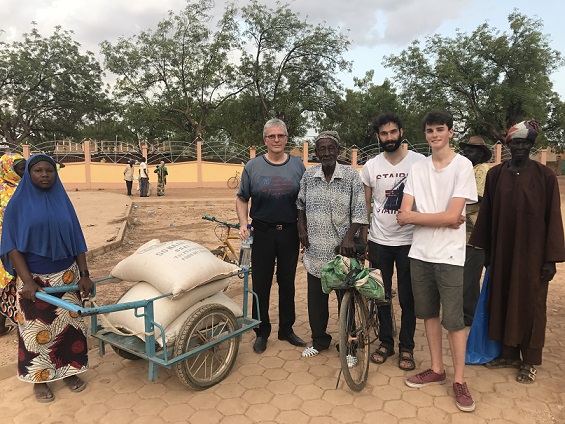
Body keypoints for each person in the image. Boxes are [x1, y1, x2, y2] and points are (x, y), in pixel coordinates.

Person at [469, 120, 565, 383]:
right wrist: (486, 251)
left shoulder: (545, 176)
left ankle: (530, 360)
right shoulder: (495, 175)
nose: (520, 147)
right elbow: (486, 214)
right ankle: (508, 354)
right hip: (502, 252)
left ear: (531, 146)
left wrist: (551, 259)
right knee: (502, 300)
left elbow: (553, 218)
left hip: (533, 256)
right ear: (508, 145)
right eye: (516, 143)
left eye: (525, 143)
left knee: (531, 305)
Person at [397, 110, 477, 412]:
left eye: (440, 129)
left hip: (450, 256)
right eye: (430, 131)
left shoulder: (462, 166)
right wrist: (440, 219)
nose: (434, 135)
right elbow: (404, 216)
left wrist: (419, 217)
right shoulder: (419, 168)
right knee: (428, 314)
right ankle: (436, 368)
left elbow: (452, 215)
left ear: (451, 132)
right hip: (420, 253)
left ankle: (459, 380)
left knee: (454, 320)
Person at [0, 153, 94, 403]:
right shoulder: (17, 205)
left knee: (70, 328)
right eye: (38, 170)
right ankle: (40, 378)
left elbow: (77, 239)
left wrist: (84, 274)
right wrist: (28, 281)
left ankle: (70, 371)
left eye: (49, 171)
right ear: (29, 175)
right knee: (36, 332)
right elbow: (11, 246)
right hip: (35, 280)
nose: (44, 175)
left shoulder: (63, 201)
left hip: (67, 277)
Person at [360, 113, 425, 370]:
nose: (389, 138)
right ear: (378, 137)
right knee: (382, 295)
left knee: (408, 297)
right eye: (383, 134)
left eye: (393, 132)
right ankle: (386, 342)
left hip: (411, 241)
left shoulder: (419, 163)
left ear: (401, 132)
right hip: (379, 242)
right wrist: (364, 239)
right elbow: (364, 205)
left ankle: (406, 347)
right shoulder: (371, 166)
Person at [236, 118, 307, 354]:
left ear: (287, 138)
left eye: (281, 136)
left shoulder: (298, 166)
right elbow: (242, 198)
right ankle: (261, 330)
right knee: (261, 284)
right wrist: (243, 223)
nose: (276, 140)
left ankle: (286, 329)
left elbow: (305, 201)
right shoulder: (252, 166)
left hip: (289, 233)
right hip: (262, 233)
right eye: (271, 136)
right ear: (265, 139)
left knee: (287, 282)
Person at [297, 130, 368, 359]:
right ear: (316, 152)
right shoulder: (309, 176)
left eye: (331, 148)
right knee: (316, 303)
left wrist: (349, 238)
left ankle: (348, 347)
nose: (326, 153)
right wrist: (301, 228)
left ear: (338, 151)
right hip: (315, 252)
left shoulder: (350, 176)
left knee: (344, 303)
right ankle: (319, 341)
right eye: (321, 149)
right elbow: (300, 204)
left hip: (341, 254)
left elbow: (360, 212)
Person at [459, 136, 491, 326]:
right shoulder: (470, 170)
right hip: (465, 233)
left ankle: (470, 316)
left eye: (471, 150)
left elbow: (478, 197)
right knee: (465, 277)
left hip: (475, 233)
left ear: (480, 153)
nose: (466, 153)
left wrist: (456, 200)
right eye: (466, 149)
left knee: (469, 279)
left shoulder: (481, 171)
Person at [0, 153, 26, 336]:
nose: (25, 172)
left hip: (12, 243)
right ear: (9, 170)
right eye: (21, 169)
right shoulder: (16, 192)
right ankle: (21, 327)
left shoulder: (21, 188)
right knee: (16, 283)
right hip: (12, 245)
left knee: (7, 283)